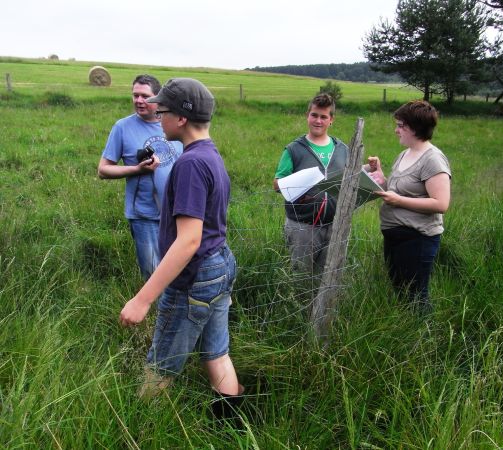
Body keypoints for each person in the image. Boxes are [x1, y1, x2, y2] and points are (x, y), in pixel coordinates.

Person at [118, 78, 243, 413]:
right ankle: (233, 427)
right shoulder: (209, 154)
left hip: (194, 275)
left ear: (182, 118)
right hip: (219, 263)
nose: (159, 116)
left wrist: (143, 299)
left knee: (160, 365)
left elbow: (189, 239)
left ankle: (141, 427)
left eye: (164, 111)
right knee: (216, 354)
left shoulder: (189, 164)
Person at [365, 100, 451, 314]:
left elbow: (441, 203)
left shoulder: (433, 160)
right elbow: (396, 191)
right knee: (401, 293)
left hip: (418, 239)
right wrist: (380, 176)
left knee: (416, 297)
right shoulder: (404, 154)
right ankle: (407, 330)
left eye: (400, 125)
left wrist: (399, 201)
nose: (396, 130)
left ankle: (424, 332)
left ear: (415, 127)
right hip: (395, 237)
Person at [98, 74, 183, 280]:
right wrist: (137, 169)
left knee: (179, 271)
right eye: (135, 95)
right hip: (144, 215)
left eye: (144, 96)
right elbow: (103, 170)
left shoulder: (175, 123)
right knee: (153, 274)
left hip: (178, 213)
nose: (138, 100)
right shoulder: (122, 127)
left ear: (158, 98)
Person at [273, 93, 348, 279]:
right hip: (302, 227)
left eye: (324, 117)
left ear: (331, 120)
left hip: (335, 225)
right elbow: (277, 184)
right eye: (314, 115)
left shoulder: (342, 149)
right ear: (307, 116)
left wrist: (369, 169)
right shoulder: (294, 149)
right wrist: (301, 182)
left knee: (329, 278)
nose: (318, 121)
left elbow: (350, 177)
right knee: (301, 278)